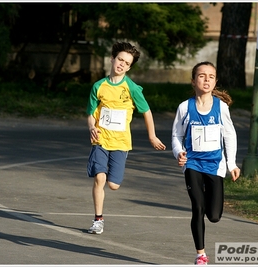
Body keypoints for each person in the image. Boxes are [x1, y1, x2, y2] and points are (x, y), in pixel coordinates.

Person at [86, 42, 166, 234]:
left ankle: (113, 175)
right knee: (100, 178)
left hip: (121, 142)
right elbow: (90, 113)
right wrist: (91, 127)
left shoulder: (132, 88)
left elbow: (146, 112)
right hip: (101, 139)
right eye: (120, 59)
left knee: (113, 185)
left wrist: (152, 136)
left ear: (129, 67)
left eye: (127, 63)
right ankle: (98, 219)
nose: (122, 64)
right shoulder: (99, 86)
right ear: (112, 59)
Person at [171, 61, 240, 265]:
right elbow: (176, 135)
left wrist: (232, 164)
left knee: (214, 215)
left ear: (215, 81)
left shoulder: (221, 108)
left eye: (211, 76)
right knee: (198, 207)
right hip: (192, 163)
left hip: (215, 165)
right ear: (193, 81)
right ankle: (201, 254)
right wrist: (179, 153)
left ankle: (211, 202)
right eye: (202, 76)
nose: (206, 79)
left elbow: (230, 135)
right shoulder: (185, 107)